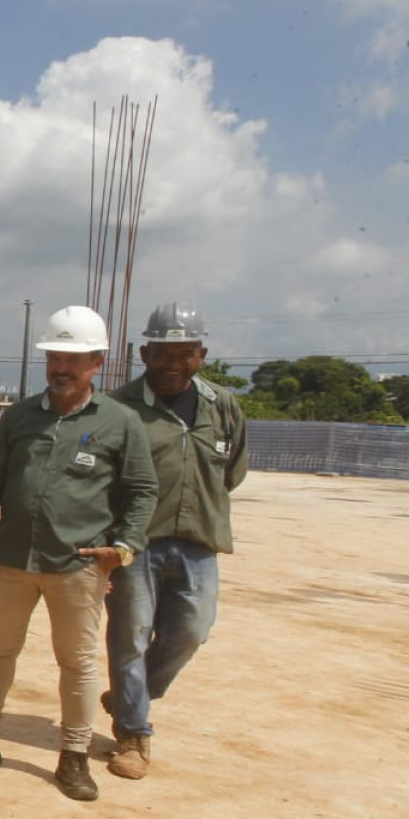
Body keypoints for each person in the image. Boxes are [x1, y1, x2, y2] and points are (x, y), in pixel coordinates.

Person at [0, 304, 158, 802]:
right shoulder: (20, 417)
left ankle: (74, 755)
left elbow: (142, 490)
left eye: (74, 359)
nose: (62, 368)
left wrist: (124, 547)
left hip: (78, 565)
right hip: (11, 559)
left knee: (78, 662)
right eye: (54, 358)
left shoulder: (120, 423)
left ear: (97, 362)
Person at [103, 304, 247, 779]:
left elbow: (235, 470)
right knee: (130, 638)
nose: (172, 364)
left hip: (199, 543)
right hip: (136, 545)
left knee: (191, 631)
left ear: (201, 355)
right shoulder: (121, 407)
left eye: (184, 354)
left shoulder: (222, 406)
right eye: (163, 353)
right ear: (145, 353)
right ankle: (133, 733)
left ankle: (133, 693)